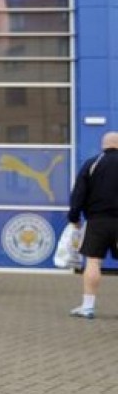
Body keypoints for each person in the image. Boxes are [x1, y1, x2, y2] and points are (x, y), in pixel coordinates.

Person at [67, 132, 118, 319]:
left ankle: (88, 307)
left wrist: (74, 218)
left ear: (103, 145)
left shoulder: (92, 164)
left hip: (97, 221)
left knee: (93, 262)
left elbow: (78, 194)